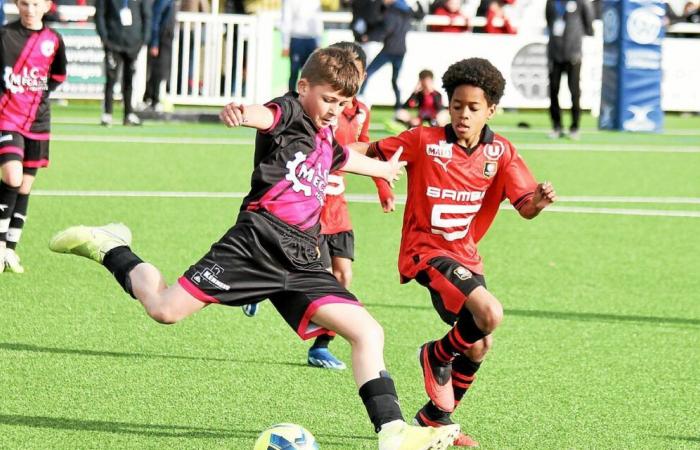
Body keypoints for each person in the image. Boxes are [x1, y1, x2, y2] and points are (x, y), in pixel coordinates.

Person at [48, 46, 460, 450]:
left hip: (303, 258)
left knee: (368, 332)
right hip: (254, 244)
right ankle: (112, 246)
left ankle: (393, 433)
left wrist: (385, 169)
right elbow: (263, 116)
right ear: (303, 87)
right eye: (328, 99)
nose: (334, 110)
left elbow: (343, 158)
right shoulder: (289, 112)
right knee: (163, 310)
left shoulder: (324, 134)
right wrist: (240, 112)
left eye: (343, 103)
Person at [361, 58, 557, 447]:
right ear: (447, 106)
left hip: (465, 256)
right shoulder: (423, 141)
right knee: (490, 313)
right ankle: (435, 355)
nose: (463, 115)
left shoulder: (501, 152)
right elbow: (366, 151)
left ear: (491, 111)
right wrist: (321, 146)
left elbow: (525, 208)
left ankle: (435, 417)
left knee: (480, 342)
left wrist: (538, 200)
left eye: (473, 108)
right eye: (457, 106)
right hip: (425, 251)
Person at [241, 42, 396, 372]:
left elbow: (360, 153)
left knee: (344, 274)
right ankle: (314, 335)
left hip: (339, 208)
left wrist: (383, 181)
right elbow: (277, 122)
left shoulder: (359, 111)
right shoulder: (309, 110)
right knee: (319, 276)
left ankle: (322, 340)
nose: (335, 105)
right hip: (310, 210)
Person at [0, 0, 67, 273]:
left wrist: (35, 97)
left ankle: (11, 251)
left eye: (35, 4)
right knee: (12, 178)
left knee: (25, 188)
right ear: (18, 4)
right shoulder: (4, 36)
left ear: (46, 6)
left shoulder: (54, 39)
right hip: (7, 119)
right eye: (25, 3)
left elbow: (58, 76)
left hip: (38, 122)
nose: (30, 9)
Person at [360, 0, 424, 110]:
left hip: (389, 50)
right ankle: (398, 106)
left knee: (367, 73)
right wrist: (417, 3)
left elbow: (385, 29)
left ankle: (359, 98)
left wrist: (369, 37)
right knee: (395, 80)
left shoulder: (391, 12)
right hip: (400, 51)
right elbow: (420, 16)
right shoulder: (407, 12)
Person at [95, 0, 151, 126]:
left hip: (133, 43)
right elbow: (100, 14)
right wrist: (104, 38)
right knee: (111, 79)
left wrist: (143, 40)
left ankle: (128, 113)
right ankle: (107, 113)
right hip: (113, 42)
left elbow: (146, 15)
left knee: (129, 80)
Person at [545, 0, 593, 139]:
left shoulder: (580, 2)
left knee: (575, 91)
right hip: (555, 53)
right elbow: (549, 21)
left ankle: (575, 126)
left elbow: (588, 24)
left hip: (573, 54)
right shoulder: (552, 2)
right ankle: (556, 126)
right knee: (553, 90)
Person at [280, 0, 323, 93]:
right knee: (294, 72)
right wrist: (285, 44)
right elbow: (286, 19)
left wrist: (319, 42)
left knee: (311, 74)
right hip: (296, 39)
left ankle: (307, 101)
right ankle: (291, 99)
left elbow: (318, 19)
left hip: (311, 40)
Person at [143, 0, 175, 111]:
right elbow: (155, 19)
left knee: (161, 70)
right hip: (162, 38)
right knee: (159, 70)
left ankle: (149, 97)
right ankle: (153, 99)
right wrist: (155, 42)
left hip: (166, 38)